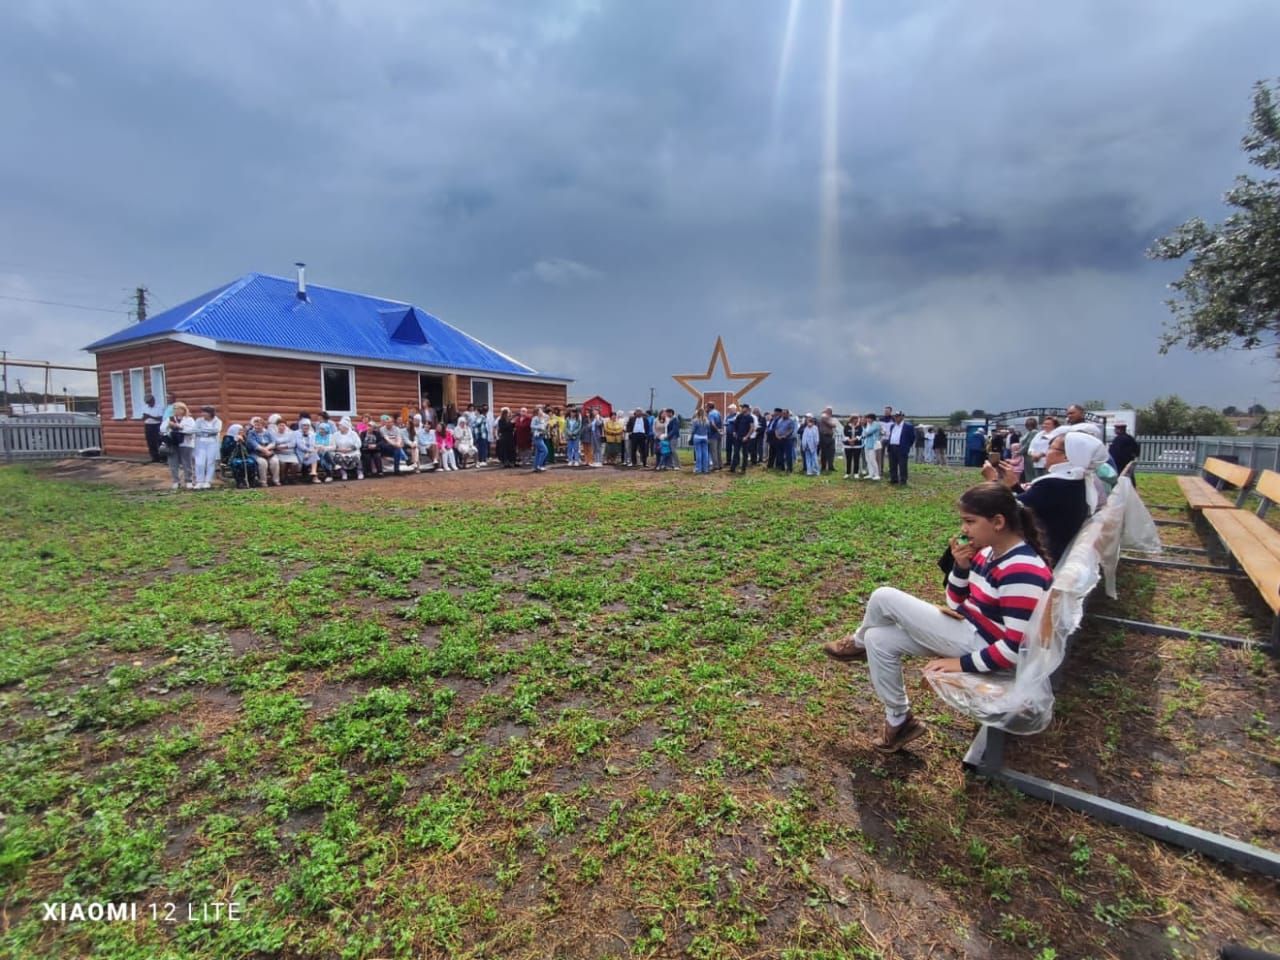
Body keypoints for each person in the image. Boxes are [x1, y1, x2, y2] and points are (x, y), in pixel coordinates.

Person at [822, 482, 1053, 753]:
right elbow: (955, 603)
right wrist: (961, 566)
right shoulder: (989, 553)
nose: (964, 529)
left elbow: (1015, 649)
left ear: (998, 522)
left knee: (884, 596)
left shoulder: (1021, 569)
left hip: (987, 649)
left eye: (970, 521)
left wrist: (960, 663)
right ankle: (899, 720)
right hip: (969, 632)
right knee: (879, 639)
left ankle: (856, 644)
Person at [981, 431, 1093, 567]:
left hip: (1041, 552)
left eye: (1051, 448)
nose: (1046, 453)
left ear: (1066, 456)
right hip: (1052, 547)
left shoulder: (1055, 484)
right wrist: (1014, 486)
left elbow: (1008, 508)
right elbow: (1034, 502)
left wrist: (992, 481)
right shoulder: (1074, 480)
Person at [166, 402, 196, 490]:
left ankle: (189, 481)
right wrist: (169, 426)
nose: (175, 410)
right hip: (173, 443)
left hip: (186, 443)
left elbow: (192, 430)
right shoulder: (170, 419)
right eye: (174, 409)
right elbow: (162, 429)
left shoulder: (189, 419)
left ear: (183, 410)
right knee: (173, 463)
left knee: (187, 463)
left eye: (177, 408)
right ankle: (176, 481)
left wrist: (179, 427)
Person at [191, 405, 222, 490]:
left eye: (205, 412)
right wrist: (206, 431)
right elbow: (195, 430)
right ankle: (199, 481)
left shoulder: (217, 421)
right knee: (199, 462)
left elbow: (216, 430)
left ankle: (207, 481)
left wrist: (202, 430)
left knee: (210, 462)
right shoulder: (199, 420)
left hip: (212, 443)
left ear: (210, 413)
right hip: (200, 443)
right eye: (202, 412)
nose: (203, 414)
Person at [887, 411, 916, 485]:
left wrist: (907, 446)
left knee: (902, 465)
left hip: (901, 447)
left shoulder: (908, 426)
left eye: (898, 416)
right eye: (895, 416)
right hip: (892, 446)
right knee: (892, 464)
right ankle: (894, 478)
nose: (896, 418)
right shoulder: (892, 426)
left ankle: (903, 480)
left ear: (902, 417)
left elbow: (912, 438)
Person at [295, 418, 321, 483]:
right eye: (304, 425)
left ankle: (314, 473)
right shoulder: (296, 433)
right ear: (301, 426)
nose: (306, 427)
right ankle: (314, 475)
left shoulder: (312, 434)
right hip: (300, 452)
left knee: (314, 453)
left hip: (310, 453)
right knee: (314, 454)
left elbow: (312, 444)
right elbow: (300, 445)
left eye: (307, 425)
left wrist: (308, 453)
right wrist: (308, 451)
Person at [141, 394, 164, 462]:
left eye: (150, 402)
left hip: (157, 425)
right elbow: (143, 418)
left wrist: (150, 416)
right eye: (147, 403)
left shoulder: (159, 407)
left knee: (159, 441)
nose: (149, 404)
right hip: (148, 425)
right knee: (150, 442)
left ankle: (162, 457)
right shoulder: (145, 407)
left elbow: (160, 418)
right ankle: (154, 457)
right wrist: (144, 417)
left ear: (153, 400)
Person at [731, 403, 753, 473]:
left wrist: (747, 436)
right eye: (742, 408)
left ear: (746, 409)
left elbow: (752, 428)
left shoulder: (750, 417)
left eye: (743, 408)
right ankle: (733, 468)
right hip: (738, 437)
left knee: (745, 454)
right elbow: (735, 425)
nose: (742, 409)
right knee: (736, 452)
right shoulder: (739, 416)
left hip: (745, 438)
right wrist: (734, 432)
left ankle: (743, 469)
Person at [860, 414, 882, 480]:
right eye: (866, 418)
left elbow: (868, 432)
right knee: (868, 460)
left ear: (872, 418)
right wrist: (865, 430)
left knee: (873, 460)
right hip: (866, 444)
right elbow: (864, 434)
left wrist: (865, 430)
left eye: (868, 418)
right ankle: (871, 474)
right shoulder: (868, 425)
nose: (867, 420)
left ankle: (877, 474)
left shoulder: (876, 424)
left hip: (873, 445)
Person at [690, 407, 710, 474]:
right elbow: (708, 430)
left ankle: (698, 469)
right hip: (705, 437)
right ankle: (705, 469)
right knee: (705, 453)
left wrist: (691, 437)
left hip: (697, 437)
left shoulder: (695, 421)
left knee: (698, 453)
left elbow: (693, 430)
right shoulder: (707, 421)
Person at [531, 405, 549, 472]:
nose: (539, 412)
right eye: (538, 411)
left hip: (542, 435)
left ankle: (536, 466)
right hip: (536, 436)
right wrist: (539, 427)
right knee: (544, 451)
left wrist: (543, 427)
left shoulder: (545, 417)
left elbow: (546, 423)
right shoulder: (535, 418)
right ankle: (539, 465)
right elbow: (532, 426)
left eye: (540, 410)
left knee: (538, 452)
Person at [706, 402, 723, 470]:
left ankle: (715, 466)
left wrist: (717, 430)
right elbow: (721, 422)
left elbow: (712, 423)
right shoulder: (717, 412)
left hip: (713, 435)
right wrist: (720, 430)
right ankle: (720, 464)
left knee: (713, 451)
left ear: (709, 407)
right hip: (718, 435)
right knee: (719, 450)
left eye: (706, 407)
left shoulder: (710, 414)